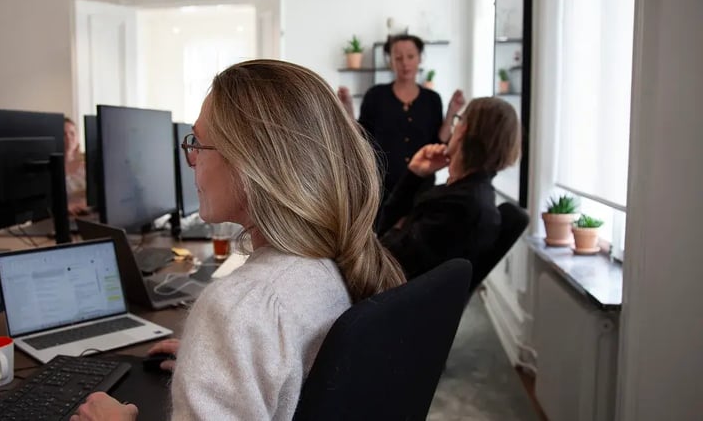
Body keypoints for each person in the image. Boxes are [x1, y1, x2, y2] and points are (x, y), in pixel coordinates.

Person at [71, 60, 406, 421]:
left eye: (198, 142)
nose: (191, 158)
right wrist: (219, 360)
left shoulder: (243, 307)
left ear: (251, 162)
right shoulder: (327, 265)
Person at [377, 96, 521, 280]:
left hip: (383, 296)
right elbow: (387, 234)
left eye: (458, 120)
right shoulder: (468, 193)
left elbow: (387, 260)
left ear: (463, 129)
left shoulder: (461, 205)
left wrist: (399, 225)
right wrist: (415, 174)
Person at [337, 34, 466, 205]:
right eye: (398, 57)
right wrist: (348, 110)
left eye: (410, 56)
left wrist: (451, 112)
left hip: (422, 188)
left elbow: (439, 141)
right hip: (383, 189)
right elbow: (362, 138)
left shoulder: (432, 99)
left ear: (420, 58)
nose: (405, 63)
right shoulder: (375, 96)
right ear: (390, 61)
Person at [63, 117, 88, 215]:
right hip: (64, 216)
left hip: (87, 214)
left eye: (72, 133)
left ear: (77, 137)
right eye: (64, 134)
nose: (68, 138)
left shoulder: (87, 162)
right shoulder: (50, 167)